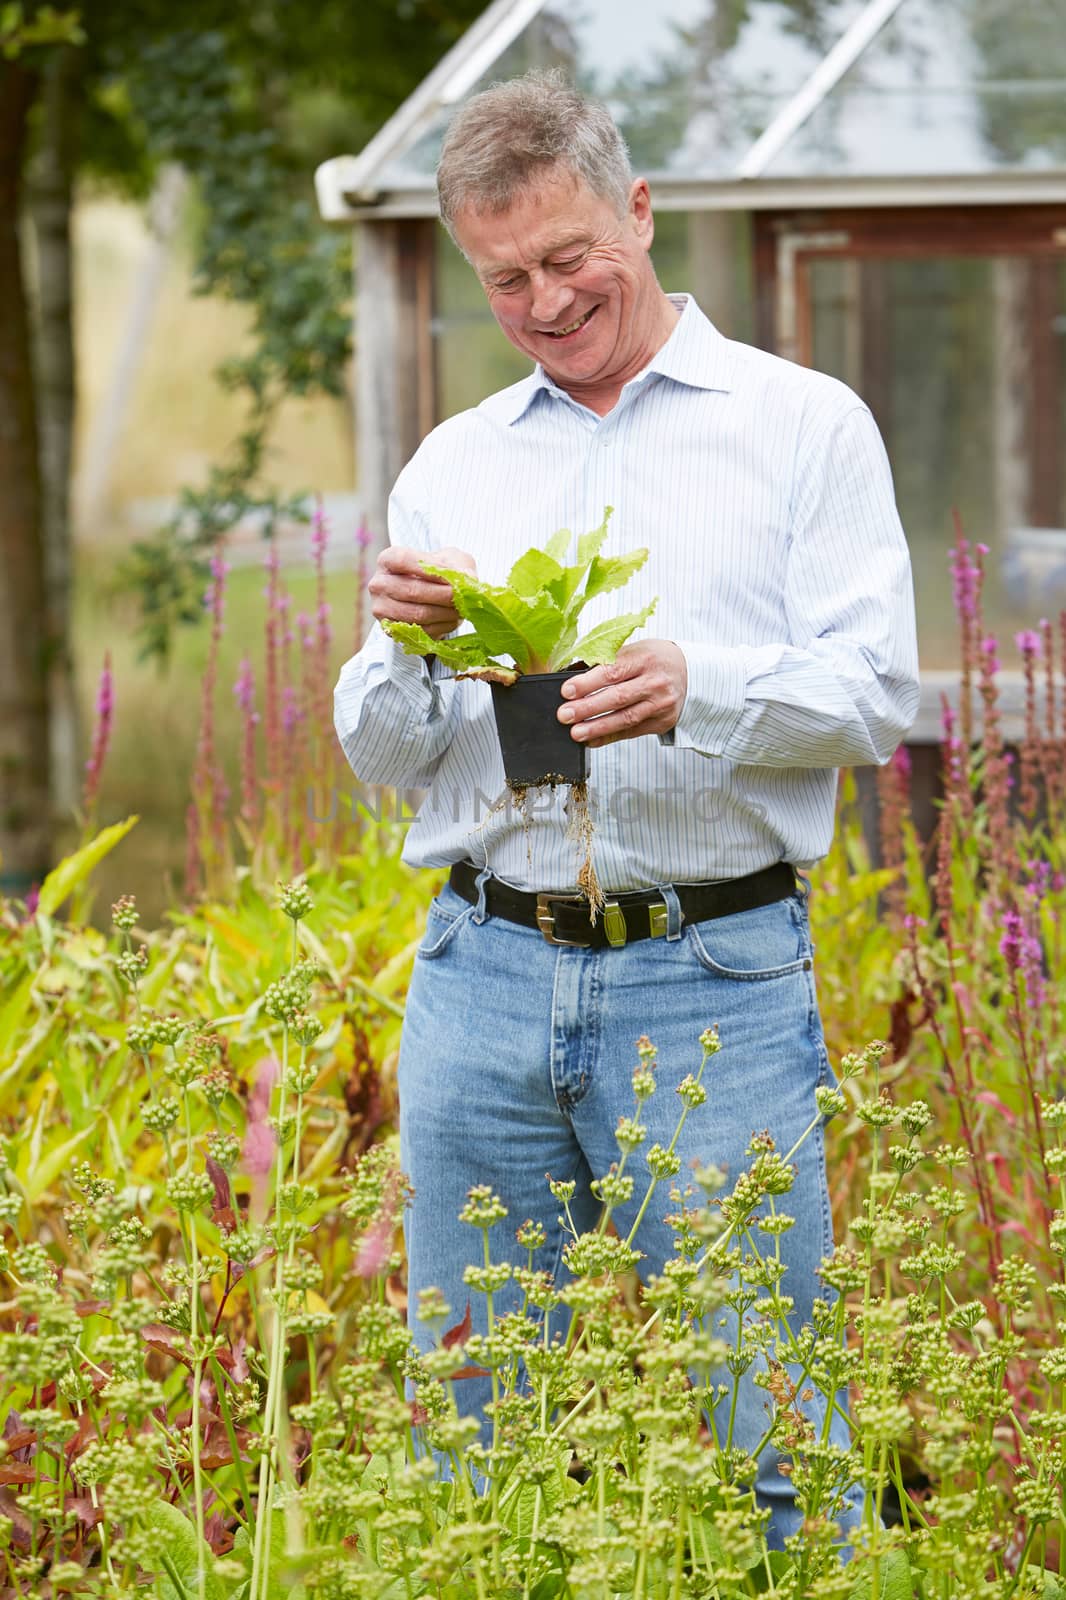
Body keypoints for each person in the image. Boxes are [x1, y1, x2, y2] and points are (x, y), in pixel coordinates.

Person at [334, 69, 919, 1546]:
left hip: (710, 970)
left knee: (769, 1409)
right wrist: (394, 646)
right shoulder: (456, 461)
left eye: (568, 257)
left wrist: (695, 689)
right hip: (480, 972)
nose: (541, 301)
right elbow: (392, 756)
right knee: (477, 1415)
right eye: (503, 277)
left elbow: (871, 697)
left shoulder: (800, 428)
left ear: (640, 212)